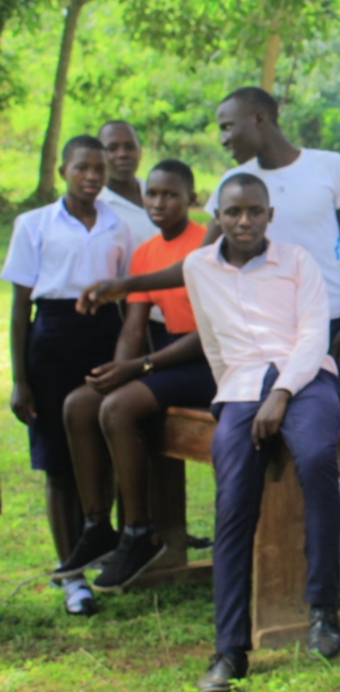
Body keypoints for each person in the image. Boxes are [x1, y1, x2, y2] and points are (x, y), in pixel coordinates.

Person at [78, 87, 340, 633]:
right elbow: (198, 263)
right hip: (270, 344)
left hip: (335, 328)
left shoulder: (326, 168)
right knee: (293, 452)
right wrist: (125, 285)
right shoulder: (236, 191)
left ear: (260, 119)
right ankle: (274, 594)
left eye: (228, 127)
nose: (223, 137)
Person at [185, 174, 340, 692]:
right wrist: (232, 393)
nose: (245, 221)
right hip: (239, 386)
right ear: (219, 216)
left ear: (270, 216)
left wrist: (282, 393)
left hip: (306, 376)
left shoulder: (297, 261)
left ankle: (323, 608)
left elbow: (312, 331)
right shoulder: (197, 267)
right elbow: (212, 340)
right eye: (234, 212)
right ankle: (230, 649)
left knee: (319, 458)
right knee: (232, 503)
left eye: (255, 211)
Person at [59, 160, 215, 591]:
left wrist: (139, 368)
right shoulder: (146, 252)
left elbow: (210, 333)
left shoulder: (205, 243)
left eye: (170, 195)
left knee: (118, 408)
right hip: (168, 356)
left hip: (207, 360)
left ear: (192, 199)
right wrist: (117, 369)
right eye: (153, 194)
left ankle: (139, 531)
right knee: (79, 403)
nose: (159, 203)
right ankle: (97, 526)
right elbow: (134, 326)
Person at [4, 135, 133, 616]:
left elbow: (127, 296)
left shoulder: (119, 226)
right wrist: (21, 378)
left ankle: (104, 555)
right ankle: (71, 575)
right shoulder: (34, 224)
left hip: (104, 336)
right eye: (82, 168)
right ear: (62, 170)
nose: (92, 176)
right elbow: (20, 307)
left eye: (99, 168)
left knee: (104, 451)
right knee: (58, 461)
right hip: (52, 340)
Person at [97, 121, 160, 244]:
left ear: (140, 151)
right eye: (112, 148)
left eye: (130, 147)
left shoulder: (159, 193)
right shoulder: (97, 206)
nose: (123, 154)